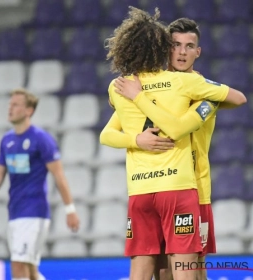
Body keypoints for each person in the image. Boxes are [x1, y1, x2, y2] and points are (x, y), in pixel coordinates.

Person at [100, 7, 246, 280]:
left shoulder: (197, 86)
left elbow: (237, 98)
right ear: (163, 49)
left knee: (195, 270)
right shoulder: (172, 84)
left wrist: (204, 88)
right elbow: (109, 132)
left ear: (197, 52)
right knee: (168, 271)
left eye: (189, 46)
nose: (181, 52)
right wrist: (138, 139)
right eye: (175, 45)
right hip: (176, 189)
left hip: (196, 189)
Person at [0, 88, 80, 280]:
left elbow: (59, 175)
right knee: (29, 270)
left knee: (18, 265)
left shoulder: (41, 139)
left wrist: (70, 209)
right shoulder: (7, 140)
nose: (10, 108)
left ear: (29, 110)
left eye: (15, 105)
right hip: (15, 212)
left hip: (33, 212)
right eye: (9, 104)